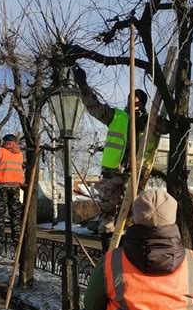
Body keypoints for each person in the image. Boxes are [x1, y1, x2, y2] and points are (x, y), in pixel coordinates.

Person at [73, 66, 170, 247]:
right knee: (108, 211)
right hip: (113, 171)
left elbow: (166, 128)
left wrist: (157, 119)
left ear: (140, 101)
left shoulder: (151, 120)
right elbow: (94, 107)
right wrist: (83, 86)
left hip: (137, 172)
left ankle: (129, 246)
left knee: (134, 212)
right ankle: (108, 249)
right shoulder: (117, 116)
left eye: (134, 96)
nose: (129, 98)